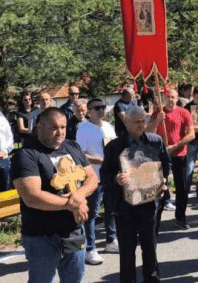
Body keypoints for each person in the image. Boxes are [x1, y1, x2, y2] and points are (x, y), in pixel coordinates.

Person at [11, 107, 98, 282]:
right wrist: (72, 204)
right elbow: (32, 197)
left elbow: (92, 178)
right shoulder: (26, 155)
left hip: (73, 231)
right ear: (39, 127)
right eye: (54, 128)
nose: (60, 132)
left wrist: (79, 195)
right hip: (42, 235)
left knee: (74, 279)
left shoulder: (72, 146)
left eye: (63, 127)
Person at [101, 106, 171, 283]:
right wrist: (116, 178)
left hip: (150, 203)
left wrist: (163, 180)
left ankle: (152, 280)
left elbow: (166, 163)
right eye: (136, 122)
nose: (141, 125)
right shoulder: (114, 146)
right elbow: (104, 174)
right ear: (126, 122)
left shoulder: (155, 141)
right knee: (127, 252)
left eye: (143, 121)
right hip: (125, 207)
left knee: (150, 248)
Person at [76, 98, 118, 265]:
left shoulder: (108, 126)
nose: (101, 110)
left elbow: (114, 147)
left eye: (103, 107)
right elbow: (81, 154)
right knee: (92, 214)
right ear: (89, 111)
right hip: (93, 177)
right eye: (97, 108)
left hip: (110, 175)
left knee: (112, 210)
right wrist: (100, 160)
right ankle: (90, 248)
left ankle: (111, 241)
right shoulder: (83, 129)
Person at [148, 89, 195, 230]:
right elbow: (148, 131)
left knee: (182, 188)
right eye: (168, 97)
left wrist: (176, 145)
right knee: (160, 187)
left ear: (177, 98)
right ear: (164, 98)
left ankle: (180, 218)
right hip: (162, 155)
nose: (170, 100)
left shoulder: (184, 112)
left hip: (180, 154)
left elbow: (191, 134)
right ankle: (156, 220)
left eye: (173, 97)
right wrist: (157, 120)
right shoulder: (158, 113)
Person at [0, 110, 14, 192]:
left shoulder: (1, 118)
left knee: (6, 191)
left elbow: (9, 138)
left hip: (2, 160)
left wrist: (5, 151)